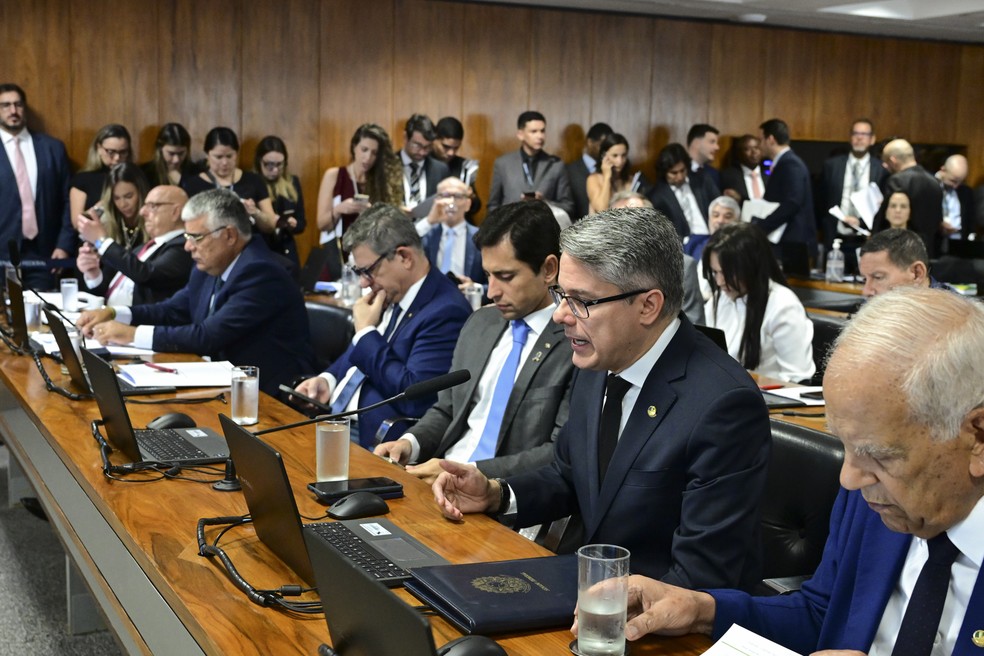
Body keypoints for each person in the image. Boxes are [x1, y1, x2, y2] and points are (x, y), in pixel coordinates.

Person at [602, 287, 984, 655]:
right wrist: (702, 610)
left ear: (978, 437)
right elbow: (821, 616)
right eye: (846, 447)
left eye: (878, 455)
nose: (848, 479)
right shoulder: (880, 498)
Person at [432, 208, 771, 587]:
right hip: (588, 590)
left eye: (581, 301)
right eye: (561, 294)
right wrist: (496, 493)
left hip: (658, 619)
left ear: (648, 305)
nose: (560, 315)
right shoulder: (598, 363)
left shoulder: (723, 405)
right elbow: (569, 475)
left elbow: (702, 575)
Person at [374, 201, 575, 484]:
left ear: (549, 269)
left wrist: (473, 474)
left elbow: (557, 452)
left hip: (505, 495)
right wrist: (410, 443)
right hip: (437, 478)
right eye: (488, 275)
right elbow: (447, 409)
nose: (492, 291)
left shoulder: (575, 343)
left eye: (506, 276)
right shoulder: (481, 323)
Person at [76, 189, 316, 395]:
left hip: (268, 398)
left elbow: (207, 336)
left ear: (229, 235)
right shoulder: (210, 265)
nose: (188, 246)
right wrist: (113, 313)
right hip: (223, 385)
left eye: (196, 237)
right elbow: (171, 310)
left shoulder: (261, 272)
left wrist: (130, 334)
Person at [292, 204, 472, 447]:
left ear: (404, 257)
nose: (365, 283)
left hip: (377, 440)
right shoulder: (394, 291)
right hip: (336, 419)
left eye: (369, 270)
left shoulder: (445, 311)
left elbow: (415, 396)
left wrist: (366, 332)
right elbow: (359, 353)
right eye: (359, 272)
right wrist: (328, 380)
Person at [702, 223, 815, 383]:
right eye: (715, 272)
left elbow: (797, 378)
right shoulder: (720, 298)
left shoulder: (783, 305)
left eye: (727, 273)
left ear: (750, 267)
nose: (720, 281)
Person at [0, 82, 73, 290]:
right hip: (2, 254)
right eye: (5, 105)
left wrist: (64, 244)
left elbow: (67, 200)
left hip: (44, 254)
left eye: (18, 104)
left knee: (39, 319)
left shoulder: (53, 148)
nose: (13, 111)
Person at [76, 185, 192, 305]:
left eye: (152, 206)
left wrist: (101, 240)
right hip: (109, 318)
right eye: (144, 205)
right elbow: (104, 293)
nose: (142, 212)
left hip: (136, 322)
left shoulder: (184, 246)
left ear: (175, 212)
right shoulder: (142, 249)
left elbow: (146, 275)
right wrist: (93, 273)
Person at [609, 192, 704, 326]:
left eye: (633, 220)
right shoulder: (599, 268)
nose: (625, 228)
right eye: (617, 221)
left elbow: (695, 325)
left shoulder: (683, 267)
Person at [819, 118, 887, 273]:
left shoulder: (881, 170)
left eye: (864, 134)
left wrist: (860, 222)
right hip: (835, 238)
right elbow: (821, 201)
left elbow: (881, 208)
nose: (859, 137)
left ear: (872, 139)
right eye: (856, 133)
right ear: (850, 137)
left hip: (866, 240)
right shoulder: (832, 165)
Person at [316, 123, 402, 242]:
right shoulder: (334, 175)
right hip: (341, 250)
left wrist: (373, 215)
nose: (367, 158)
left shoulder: (381, 181)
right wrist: (338, 210)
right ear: (354, 147)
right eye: (364, 150)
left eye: (374, 153)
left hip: (372, 249)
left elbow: (390, 226)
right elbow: (321, 224)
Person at [182, 127, 277, 234]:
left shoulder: (253, 180)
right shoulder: (193, 185)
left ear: (236, 154)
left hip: (250, 243)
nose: (224, 162)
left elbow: (271, 224)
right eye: (218, 157)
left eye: (229, 156)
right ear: (207, 155)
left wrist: (255, 212)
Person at [487, 111, 575, 218]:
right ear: (520, 135)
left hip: (543, 228)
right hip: (511, 228)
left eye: (542, 131)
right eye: (534, 131)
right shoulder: (503, 164)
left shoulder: (556, 165)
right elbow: (493, 206)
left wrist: (545, 202)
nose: (540, 136)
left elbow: (568, 206)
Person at [752, 118, 817, 255]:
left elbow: (793, 202)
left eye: (760, 140)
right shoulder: (785, 162)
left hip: (792, 242)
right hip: (786, 240)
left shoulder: (790, 164)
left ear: (770, 139)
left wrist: (761, 227)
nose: (759, 145)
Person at [875, 138, 943, 258]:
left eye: (886, 162)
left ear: (893, 160)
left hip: (903, 249)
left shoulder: (897, 180)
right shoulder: (935, 182)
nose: (885, 166)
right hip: (929, 249)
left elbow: (884, 220)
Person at [418, 177, 486, 289]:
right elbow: (401, 246)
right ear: (436, 201)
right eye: (445, 196)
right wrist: (429, 220)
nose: (451, 202)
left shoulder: (481, 238)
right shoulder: (425, 235)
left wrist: (475, 288)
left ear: (468, 204)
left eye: (458, 196)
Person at [254, 135, 306, 270]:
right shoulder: (251, 183)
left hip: (286, 249)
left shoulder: (292, 182)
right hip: (261, 250)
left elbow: (302, 223)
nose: (275, 170)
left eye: (279, 164)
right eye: (269, 164)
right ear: (259, 161)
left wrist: (293, 224)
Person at [76, 162, 150, 254]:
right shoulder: (104, 220)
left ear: (141, 192)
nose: (123, 204)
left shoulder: (154, 220)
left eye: (129, 196)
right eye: (116, 198)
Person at [647, 143, 716, 241]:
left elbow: (718, 204)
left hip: (712, 237)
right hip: (683, 246)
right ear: (664, 172)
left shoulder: (703, 181)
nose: (679, 177)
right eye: (674, 173)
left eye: (683, 170)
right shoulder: (656, 196)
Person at [858, 228, 954, 298]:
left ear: (917, 273)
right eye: (864, 279)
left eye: (878, 277)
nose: (866, 291)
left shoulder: (956, 318)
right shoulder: (879, 307)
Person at [69, 123, 132, 229]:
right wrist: (102, 206)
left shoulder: (134, 176)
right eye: (111, 152)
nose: (117, 158)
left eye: (123, 152)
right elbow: (77, 223)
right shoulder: (82, 179)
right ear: (98, 148)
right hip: (94, 239)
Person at [432, 116, 481, 219]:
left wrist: (470, 196)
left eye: (456, 148)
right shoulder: (423, 164)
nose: (451, 153)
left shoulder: (464, 166)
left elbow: (476, 207)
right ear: (434, 139)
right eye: (446, 147)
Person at [399, 113, 450, 211]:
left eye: (427, 147)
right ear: (406, 137)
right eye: (417, 145)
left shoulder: (440, 169)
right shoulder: (386, 165)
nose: (422, 152)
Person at [567, 122, 613, 220]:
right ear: (590, 142)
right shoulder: (570, 171)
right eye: (602, 145)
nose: (606, 150)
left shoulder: (613, 168)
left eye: (609, 147)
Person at [586, 133, 634, 214]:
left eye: (624, 155)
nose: (620, 161)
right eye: (615, 156)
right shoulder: (593, 179)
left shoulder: (630, 179)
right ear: (604, 156)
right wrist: (607, 177)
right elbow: (601, 211)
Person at [140, 122, 197, 187]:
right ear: (160, 149)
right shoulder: (144, 173)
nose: (176, 160)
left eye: (181, 153)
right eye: (171, 153)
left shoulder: (197, 172)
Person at [936, 153, 977, 243]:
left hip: (959, 241)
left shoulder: (966, 192)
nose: (955, 186)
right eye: (953, 181)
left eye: (960, 182)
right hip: (936, 240)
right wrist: (938, 224)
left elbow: (971, 220)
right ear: (943, 170)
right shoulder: (931, 187)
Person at [719, 134, 764, 203]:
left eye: (756, 148)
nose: (754, 152)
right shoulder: (728, 176)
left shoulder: (771, 175)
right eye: (747, 149)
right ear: (739, 153)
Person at [686, 123, 722, 190]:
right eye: (712, 142)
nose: (717, 147)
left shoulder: (714, 174)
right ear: (696, 143)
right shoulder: (678, 171)